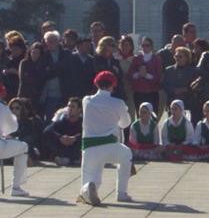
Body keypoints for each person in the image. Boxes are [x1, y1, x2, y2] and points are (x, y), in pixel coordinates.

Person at [77, 71, 133, 206]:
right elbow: (125, 124)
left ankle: (88, 188)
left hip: (90, 148)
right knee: (127, 155)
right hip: (111, 146)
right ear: (113, 85)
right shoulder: (118, 103)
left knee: (91, 177)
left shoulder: (86, 100)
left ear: (96, 83)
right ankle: (121, 193)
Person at [43, 97, 82, 166]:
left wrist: (74, 138)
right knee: (49, 136)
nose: (70, 109)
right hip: (63, 147)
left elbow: (89, 133)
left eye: (73, 107)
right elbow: (47, 130)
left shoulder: (82, 122)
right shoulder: (63, 121)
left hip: (76, 147)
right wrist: (60, 137)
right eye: (69, 106)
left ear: (79, 110)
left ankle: (74, 158)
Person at [130, 37, 162, 115]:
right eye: (143, 45)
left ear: (151, 46)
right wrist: (138, 74)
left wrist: (146, 75)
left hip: (152, 92)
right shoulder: (137, 58)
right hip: (139, 92)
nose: (145, 47)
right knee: (140, 115)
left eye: (147, 45)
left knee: (152, 115)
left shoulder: (156, 59)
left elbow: (158, 76)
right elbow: (130, 74)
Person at [9, 97, 44, 164]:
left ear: (22, 109)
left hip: (25, 147)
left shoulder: (29, 122)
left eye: (17, 108)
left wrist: (14, 139)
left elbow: (28, 140)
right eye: (12, 108)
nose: (14, 110)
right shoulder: (8, 123)